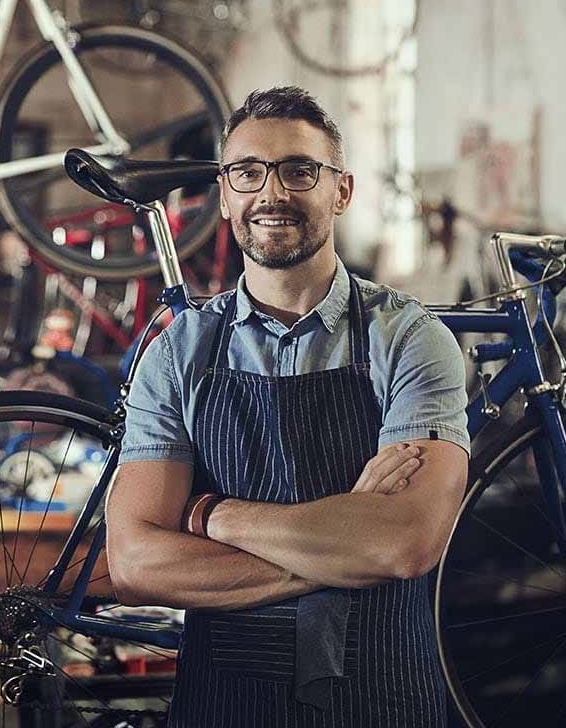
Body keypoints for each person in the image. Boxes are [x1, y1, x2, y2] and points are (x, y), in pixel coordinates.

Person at [106, 86, 469, 727]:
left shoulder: (410, 340)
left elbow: (404, 545)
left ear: (341, 190)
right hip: (225, 707)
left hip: (383, 700)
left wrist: (211, 515)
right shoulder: (177, 355)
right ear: (225, 195)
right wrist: (343, 548)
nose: (271, 194)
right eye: (247, 173)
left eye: (299, 171)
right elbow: (135, 564)